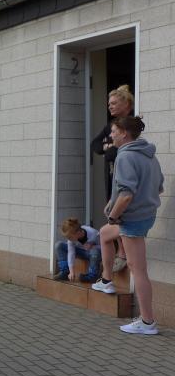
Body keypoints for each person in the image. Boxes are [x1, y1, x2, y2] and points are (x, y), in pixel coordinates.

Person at [93, 116, 164, 334]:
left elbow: (126, 195)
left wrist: (113, 216)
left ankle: (147, 322)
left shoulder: (125, 156)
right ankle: (107, 279)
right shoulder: (149, 155)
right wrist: (112, 203)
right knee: (105, 234)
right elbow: (159, 187)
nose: (110, 135)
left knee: (138, 270)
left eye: (114, 131)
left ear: (124, 134)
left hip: (132, 221)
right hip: (146, 215)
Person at [90, 85, 134, 272]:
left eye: (114, 103)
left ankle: (124, 254)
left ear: (126, 104)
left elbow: (119, 151)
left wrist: (110, 147)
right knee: (112, 213)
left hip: (125, 178)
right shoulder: (110, 125)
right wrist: (108, 146)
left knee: (121, 213)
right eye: (109, 103)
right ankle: (121, 251)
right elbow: (95, 145)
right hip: (111, 176)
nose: (110, 106)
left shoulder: (132, 124)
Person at [54, 217, 101, 282]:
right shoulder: (71, 240)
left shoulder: (93, 233)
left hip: (92, 254)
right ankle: (65, 272)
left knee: (95, 251)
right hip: (81, 252)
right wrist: (72, 271)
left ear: (78, 232)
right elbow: (71, 253)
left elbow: (105, 247)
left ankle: (92, 276)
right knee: (59, 245)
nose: (68, 239)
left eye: (69, 237)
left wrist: (93, 246)